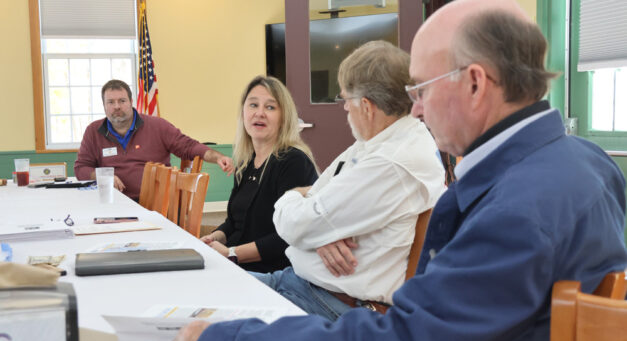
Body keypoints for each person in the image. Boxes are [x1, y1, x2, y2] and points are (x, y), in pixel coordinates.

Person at [171, 1, 627, 341]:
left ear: (474, 84)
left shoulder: (517, 209)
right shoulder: (588, 161)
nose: (418, 111)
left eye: (422, 91)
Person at [250, 40, 445, 321]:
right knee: (209, 285)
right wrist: (319, 231)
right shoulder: (381, 141)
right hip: (302, 284)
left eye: (345, 100)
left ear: (365, 106)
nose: (344, 109)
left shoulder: (390, 162)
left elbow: (294, 225)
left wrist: (309, 217)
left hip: (324, 304)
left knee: (204, 309)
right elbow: (310, 214)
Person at [200, 76, 318, 273]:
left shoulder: (293, 162)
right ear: (243, 113)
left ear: (284, 117)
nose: (259, 113)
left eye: (270, 107)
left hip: (274, 273)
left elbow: (287, 236)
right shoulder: (246, 163)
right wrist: (216, 237)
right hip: (238, 265)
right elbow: (234, 221)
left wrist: (232, 253)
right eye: (253, 105)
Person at [74, 79, 233, 201]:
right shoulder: (93, 131)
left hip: (156, 205)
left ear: (131, 102)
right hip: (114, 203)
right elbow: (81, 168)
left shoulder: (158, 126)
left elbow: (189, 146)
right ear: (104, 106)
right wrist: (102, 176)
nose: (117, 106)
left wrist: (218, 157)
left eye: (122, 101)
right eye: (111, 102)